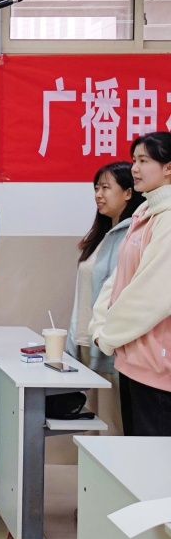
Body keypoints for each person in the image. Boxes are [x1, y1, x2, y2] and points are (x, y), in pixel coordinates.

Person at [91, 131, 171, 437]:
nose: (134, 169)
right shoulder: (144, 211)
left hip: (157, 367)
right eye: (134, 160)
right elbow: (118, 279)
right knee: (135, 453)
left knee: (154, 458)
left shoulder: (167, 218)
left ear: (168, 168)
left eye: (143, 161)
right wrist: (100, 326)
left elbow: (152, 294)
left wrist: (108, 335)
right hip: (131, 360)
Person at [66, 162, 144, 435]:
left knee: (112, 425)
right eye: (96, 188)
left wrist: (104, 336)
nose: (98, 194)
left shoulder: (133, 236)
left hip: (109, 345)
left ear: (128, 193)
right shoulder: (102, 236)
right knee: (92, 424)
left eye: (106, 188)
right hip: (86, 341)